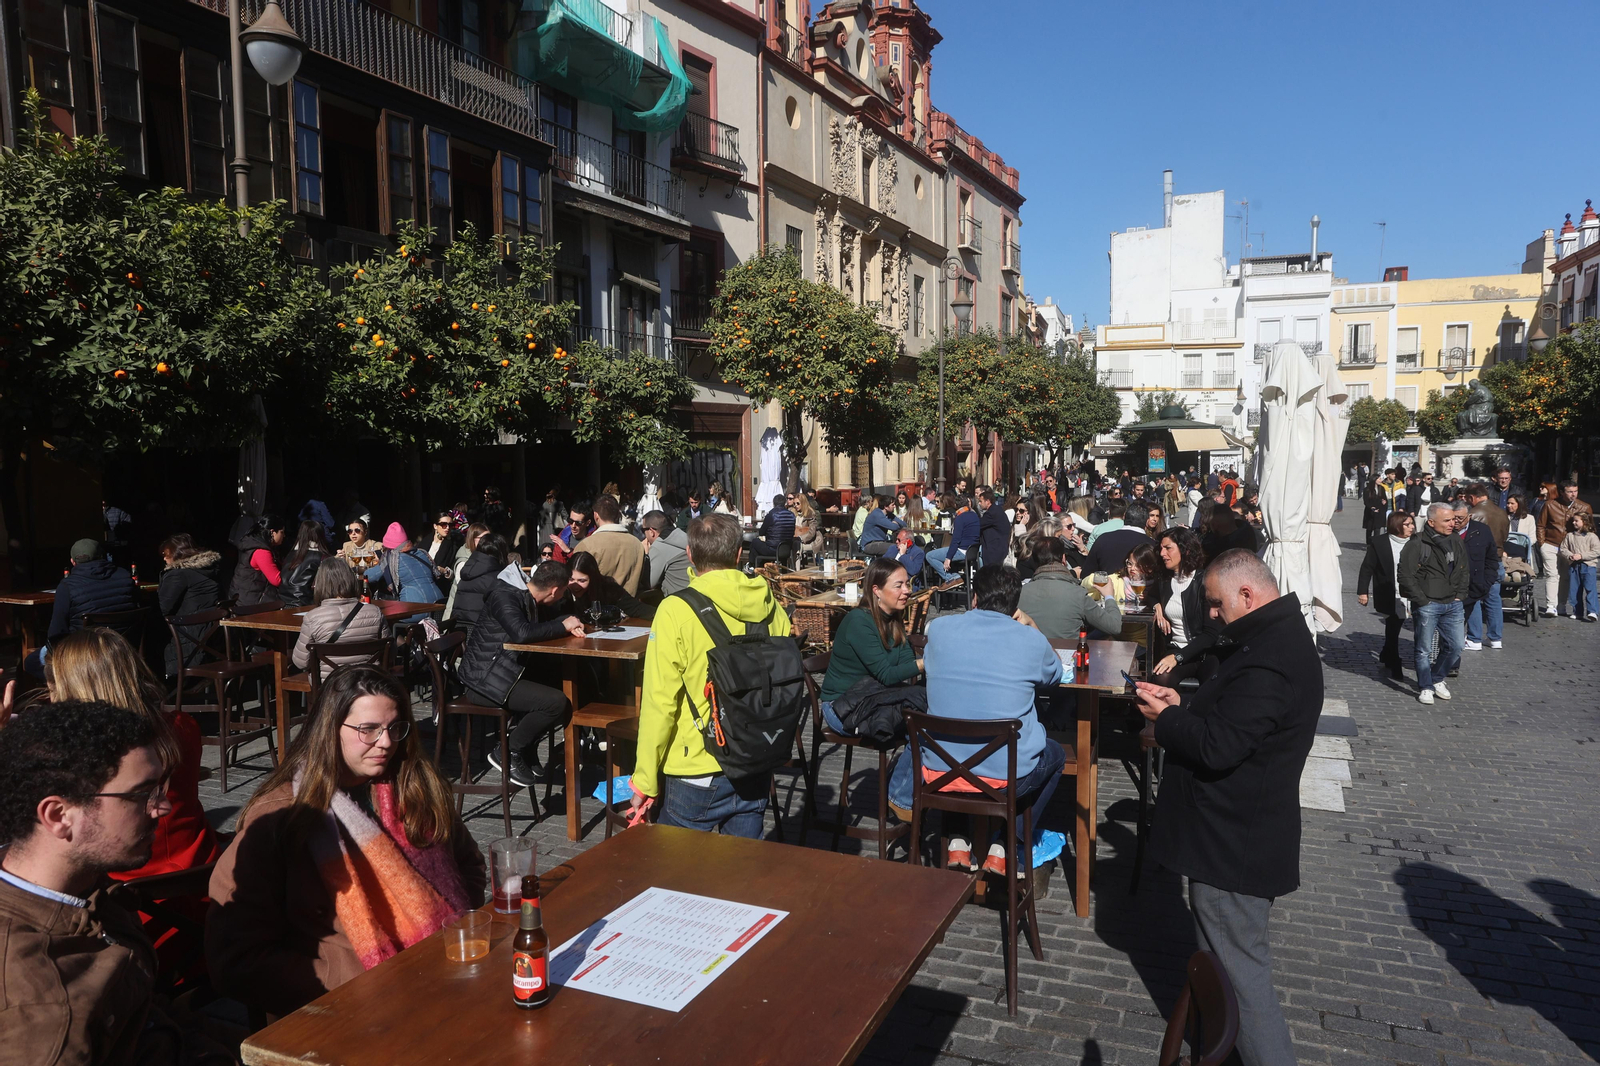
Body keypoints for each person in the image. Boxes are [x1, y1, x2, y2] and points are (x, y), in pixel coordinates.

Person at [208, 667, 486, 1018]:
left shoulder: (416, 787)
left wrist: (454, 925)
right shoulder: (282, 818)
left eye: (394, 728)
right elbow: (235, 958)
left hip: (442, 981)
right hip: (342, 1013)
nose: (385, 742)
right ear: (330, 729)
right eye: (368, 729)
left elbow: (469, 864)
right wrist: (351, 980)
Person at [1132, 550, 1320, 1066]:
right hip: (1232, 837)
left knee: (1242, 984)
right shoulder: (1273, 638)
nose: (1212, 614)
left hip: (1231, 844)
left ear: (1247, 595)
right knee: (1225, 971)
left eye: (1216, 604)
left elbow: (1219, 747)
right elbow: (1234, 723)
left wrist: (1168, 722)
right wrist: (1182, 706)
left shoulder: (1270, 658)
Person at [0, 701, 235, 1066]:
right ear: (58, 816)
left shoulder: (83, 885)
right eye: (141, 794)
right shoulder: (46, 1012)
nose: (162, 807)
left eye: (160, 788)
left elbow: (149, 1016)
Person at [628, 515, 791, 836]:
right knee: (743, 866)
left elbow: (660, 703)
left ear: (690, 554)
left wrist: (644, 780)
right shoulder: (769, 604)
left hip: (695, 765)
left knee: (678, 866)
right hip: (754, 758)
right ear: (739, 554)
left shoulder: (675, 610)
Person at [45, 628, 219, 886]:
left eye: (53, 691)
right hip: (200, 872)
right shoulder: (182, 727)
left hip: (123, 891)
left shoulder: (68, 754)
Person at [921, 565, 1066, 874]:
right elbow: (1054, 674)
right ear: (1015, 605)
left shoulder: (940, 629)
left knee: (957, 735)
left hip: (938, 772)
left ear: (975, 598)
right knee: (1056, 755)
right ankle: (1006, 845)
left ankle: (958, 842)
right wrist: (1032, 625)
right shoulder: (1029, 639)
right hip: (1005, 778)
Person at [457, 560, 583, 786]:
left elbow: (538, 627)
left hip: (502, 674)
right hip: (483, 681)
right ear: (555, 590)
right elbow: (522, 633)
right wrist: (563, 625)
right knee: (555, 702)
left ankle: (527, 745)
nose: (563, 597)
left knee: (561, 683)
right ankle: (508, 751)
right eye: (564, 591)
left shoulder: (525, 596)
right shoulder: (504, 596)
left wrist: (565, 622)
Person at [819, 557, 923, 724]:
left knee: (928, 708)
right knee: (916, 722)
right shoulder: (858, 622)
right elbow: (887, 675)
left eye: (907, 584)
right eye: (898, 586)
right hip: (843, 705)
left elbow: (906, 662)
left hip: (876, 695)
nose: (907, 590)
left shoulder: (894, 617)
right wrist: (926, 663)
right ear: (877, 590)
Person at [25, 538, 137, 679]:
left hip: (85, 654)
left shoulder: (67, 586)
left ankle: (72, 687)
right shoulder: (125, 577)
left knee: (31, 662)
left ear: (73, 562)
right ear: (102, 556)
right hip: (123, 649)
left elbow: (56, 633)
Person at [1397, 502, 1468, 705]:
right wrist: (1421, 599)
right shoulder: (1417, 543)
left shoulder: (1456, 540)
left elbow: (1463, 568)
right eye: (1447, 520)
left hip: (1453, 603)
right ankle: (1425, 686)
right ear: (1431, 522)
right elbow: (1404, 575)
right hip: (1428, 604)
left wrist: (1460, 594)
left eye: (1453, 519)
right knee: (1424, 650)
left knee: (1456, 646)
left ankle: (1436, 678)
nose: (1452, 523)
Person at [1148, 526, 1220, 684]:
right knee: (1160, 678)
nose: (1162, 553)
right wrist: (1157, 607)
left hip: (1205, 652)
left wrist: (1178, 657)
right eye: (1161, 549)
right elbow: (1150, 596)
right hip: (1175, 647)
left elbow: (1211, 634)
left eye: (1168, 548)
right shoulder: (1164, 580)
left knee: (1214, 684)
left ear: (1186, 550)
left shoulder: (1204, 582)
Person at [291, 563, 388, 679]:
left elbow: (301, 663)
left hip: (331, 685)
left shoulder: (312, 618)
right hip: (368, 682)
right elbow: (390, 654)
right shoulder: (375, 612)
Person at [1017, 535, 1121, 641]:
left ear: (1034, 561)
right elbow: (1115, 627)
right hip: (1068, 650)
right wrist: (1109, 596)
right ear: (1063, 558)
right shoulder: (1078, 594)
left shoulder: (1020, 593)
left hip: (1031, 650)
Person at [1357, 511, 1414, 681]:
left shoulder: (1416, 542)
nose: (1412, 527)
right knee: (1393, 626)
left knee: (1395, 627)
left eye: (1412, 524)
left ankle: (1386, 653)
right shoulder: (1380, 542)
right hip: (1388, 591)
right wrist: (1363, 591)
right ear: (1396, 526)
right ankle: (1395, 662)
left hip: (1411, 593)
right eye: (1407, 524)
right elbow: (1367, 568)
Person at [157, 534, 223, 677]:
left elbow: (162, 608)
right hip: (211, 637)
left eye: (165, 554)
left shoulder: (178, 574)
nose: (164, 559)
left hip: (188, 638)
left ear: (177, 553)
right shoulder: (208, 569)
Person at [1537, 481, 1592, 617]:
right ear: (1562, 492)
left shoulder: (1584, 507)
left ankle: (1561, 605)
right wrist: (1542, 543)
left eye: (1575, 491)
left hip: (1571, 547)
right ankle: (1551, 606)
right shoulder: (1550, 505)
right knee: (1552, 575)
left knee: (1565, 577)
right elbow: (1541, 525)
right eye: (1570, 491)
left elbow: (1590, 529)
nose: (1573, 494)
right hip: (1551, 544)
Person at [571, 495, 645, 595]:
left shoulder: (586, 546)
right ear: (618, 515)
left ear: (596, 516)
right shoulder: (637, 544)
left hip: (598, 603)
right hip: (630, 603)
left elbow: (576, 585)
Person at [1452, 498, 1498, 654]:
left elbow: (1492, 559)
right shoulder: (1445, 530)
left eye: (1460, 518)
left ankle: (1472, 640)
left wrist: (1486, 583)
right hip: (1450, 588)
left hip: (1474, 586)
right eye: (1453, 518)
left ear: (1469, 516)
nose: (1456, 522)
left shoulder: (1482, 531)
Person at [562, 550, 656, 620]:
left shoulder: (608, 588)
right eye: (571, 579)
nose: (575, 586)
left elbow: (635, 608)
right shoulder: (561, 592)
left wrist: (661, 614)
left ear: (593, 578)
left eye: (582, 581)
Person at [364, 523, 443, 605]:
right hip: (438, 602)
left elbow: (369, 576)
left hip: (414, 605)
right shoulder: (422, 553)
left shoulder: (392, 558)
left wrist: (363, 569)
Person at [1087, 501, 1156, 577]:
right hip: (1140, 584)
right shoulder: (1153, 545)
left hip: (1105, 583)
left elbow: (1087, 573)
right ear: (1147, 522)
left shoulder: (1103, 539)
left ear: (1124, 517)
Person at [231, 513, 287, 605]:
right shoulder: (261, 552)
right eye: (282, 532)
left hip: (243, 596)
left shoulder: (254, 544)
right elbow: (276, 580)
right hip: (251, 602)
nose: (284, 536)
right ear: (272, 532)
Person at [441, 522, 492, 623]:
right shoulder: (463, 562)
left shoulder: (485, 557)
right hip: (460, 616)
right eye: (482, 538)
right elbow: (467, 589)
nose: (486, 542)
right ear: (472, 539)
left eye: (488, 538)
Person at [280, 519, 331, 609]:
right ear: (320, 535)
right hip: (305, 605)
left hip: (283, 604)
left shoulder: (290, 555)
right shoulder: (322, 557)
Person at [641, 510, 692, 596]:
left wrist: (646, 555)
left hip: (680, 599)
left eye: (643, 530)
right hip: (698, 594)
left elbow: (648, 583)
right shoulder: (685, 536)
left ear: (651, 532)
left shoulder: (659, 547)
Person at [1562, 511, 1600, 622]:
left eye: (1576, 521)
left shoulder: (1592, 536)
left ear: (1584, 522)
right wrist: (1570, 556)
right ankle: (1577, 611)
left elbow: (1596, 551)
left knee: (1590, 589)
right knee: (1574, 590)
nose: (1574, 523)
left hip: (1588, 566)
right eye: (1573, 521)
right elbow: (1563, 548)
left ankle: (1592, 611)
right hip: (1574, 566)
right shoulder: (1570, 536)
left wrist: (1582, 556)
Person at [928, 494, 977, 576]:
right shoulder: (974, 515)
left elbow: (956, 540)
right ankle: (955, 578)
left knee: (930, 556)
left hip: (962, 550)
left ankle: (951, 578)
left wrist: (948, 557)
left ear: (955, 505)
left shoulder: (960, 518)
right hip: (973, 550)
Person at [751, 493, 796, 564]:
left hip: (772, 549)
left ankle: (752, 565)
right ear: (785, 503)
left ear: (774, 503)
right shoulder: (792, 515)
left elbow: (761, 532)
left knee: (755, 542)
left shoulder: (771, 514)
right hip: (786, 549)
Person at [975, 487, 1011, 568]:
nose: (979, 503)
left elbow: (979, 525)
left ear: (987, 502)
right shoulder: (997, 509)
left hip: (994, 549)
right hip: (1000, 547)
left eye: (981, 501)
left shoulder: (991, 513)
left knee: (992, 571)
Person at [423, 511, 460, 581]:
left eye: (450, 525)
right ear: (435, 526)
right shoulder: (425, 542)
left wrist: (445, 571)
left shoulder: (454, 546)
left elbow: (456, 573)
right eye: (444, 524)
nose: (447, 528)